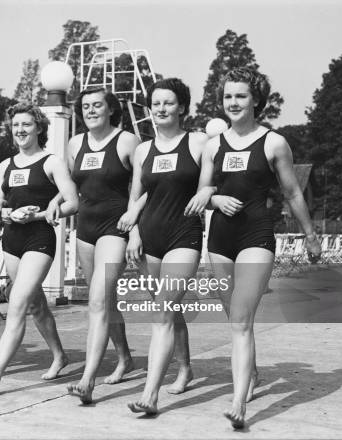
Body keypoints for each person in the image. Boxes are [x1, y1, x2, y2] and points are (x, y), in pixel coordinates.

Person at [187, 67, 321, 428]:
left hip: (256, 234)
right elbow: (203, 191)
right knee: (235, 319)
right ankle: (253, 374)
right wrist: (215, 201)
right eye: (228, 96)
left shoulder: (274, 142)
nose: (233, 102)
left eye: (241, 95)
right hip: (219, 239)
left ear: (256, 99)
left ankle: (238, 403)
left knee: (242, 322)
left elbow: (292, 192)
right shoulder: (213, 145)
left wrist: (309, 234)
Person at [0, 103, 78, 394]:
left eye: (26, 125)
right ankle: (59, 355)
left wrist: (40, 215)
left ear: (39, 128)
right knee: (34, 303)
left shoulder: (51, 162)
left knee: (17, 304)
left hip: (39, 239)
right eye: (16, 125)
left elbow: (72, 202)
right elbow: (2, 202)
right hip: (12, 240)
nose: (20, 130)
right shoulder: (6, 165)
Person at [121, 78, 208, 414]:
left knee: (162, 312)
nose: (161, 109)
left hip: (184, 235)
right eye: (156, 103)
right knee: (169, 309)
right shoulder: (144, 150)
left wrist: (208, 193)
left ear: (182, 107)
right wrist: (134, 233)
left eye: (168, 103)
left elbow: (212, 183)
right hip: (150, 236)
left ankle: (149, 395)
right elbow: (137, 196)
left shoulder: (199, 143)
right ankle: (185, 367)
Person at [65, 87, 140, 404]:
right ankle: (124, 357)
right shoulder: (74, 144)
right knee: (107, 302)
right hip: (85, 229)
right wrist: (56, 205)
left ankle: (87, 380)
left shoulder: (126, 141)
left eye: (97, 105)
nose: (91, 111)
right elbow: (70, 185)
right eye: (85, 106)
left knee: (97, 299)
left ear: (111, 109)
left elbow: (147, 185)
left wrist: (135, 226)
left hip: (115, 228)